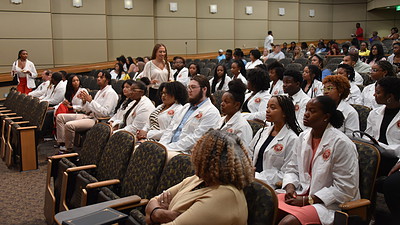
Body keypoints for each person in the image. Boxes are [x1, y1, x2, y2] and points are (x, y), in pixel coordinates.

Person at [278, 96, 360, 225]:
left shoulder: (342, 143)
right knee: (267, 205)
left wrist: (308, 200)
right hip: (302, 193)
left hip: (331, 205)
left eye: (312, 111)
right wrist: (290, 187)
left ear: (325, 117)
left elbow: (345, 188)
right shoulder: (303, 137)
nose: (306, 114)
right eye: (306, 110)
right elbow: (292, 168)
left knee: (288, 223)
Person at [145, 129, 253, 225]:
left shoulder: (226, 195)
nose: (192, 153)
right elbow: (152, 201)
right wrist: (162, 214)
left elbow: (152, 210)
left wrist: (156, 213)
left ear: (206, 159)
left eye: (197, 151)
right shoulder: (198, 179)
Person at [365, 77, 400, 224]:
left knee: (392, 184)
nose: (374, 95)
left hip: (397, 159)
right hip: (378, 154)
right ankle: (364, 213)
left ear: (390, 97)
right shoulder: (375, 113)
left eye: (378, 92)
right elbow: (367, 137)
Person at [56, 70, 118, 153]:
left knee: (69, 125)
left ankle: (68, 149)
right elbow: (88, 109)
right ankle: (62, 143)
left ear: (107, 80)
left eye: (101, 77)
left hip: (98, 120)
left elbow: (105, 113)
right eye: (98, 77)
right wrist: (85, 101)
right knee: (60, 117)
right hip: (89, 115)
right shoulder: (100, 91)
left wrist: (91, 101)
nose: (98, 79)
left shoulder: (111, 93)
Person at [249, 95, 302, 189]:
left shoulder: (292, 139)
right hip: (251, 179)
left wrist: (257, 177)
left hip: (270, 186)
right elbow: (249, 153)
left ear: (284, 113)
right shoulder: (262, 132)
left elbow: (287, 173)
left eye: (272, 108)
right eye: (267, 107)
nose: (267, 110)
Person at [159, 75, 221, 153]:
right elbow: (170, 129)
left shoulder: (211, 112)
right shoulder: (185, 107)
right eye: (188, 87)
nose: (189, 90)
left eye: (193, 87)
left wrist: (168, 148)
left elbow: (196, 138)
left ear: (204, 89)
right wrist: (161, 145)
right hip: (169, 148)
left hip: (186, 153)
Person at [218, 79, 252, 148]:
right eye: (222, 101)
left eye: (226, 102)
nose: (222, 104)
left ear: (237, 105)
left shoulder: (242, 126)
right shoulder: (220, 120)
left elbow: (242, 153)